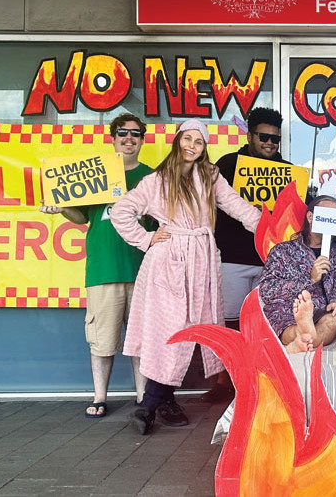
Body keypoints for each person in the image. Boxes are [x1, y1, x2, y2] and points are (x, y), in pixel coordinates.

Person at [111, 119, 261, 435]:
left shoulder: (210, 177)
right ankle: (151, 405)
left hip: (201, 262)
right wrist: (145, 238)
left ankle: (162, 401)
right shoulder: (156, 181)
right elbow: (120, 211)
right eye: (187, 139)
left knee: (193, 330)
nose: (191, 145)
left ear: (204, 148)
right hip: (167, 262)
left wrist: (268, 229)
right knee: (170, 329)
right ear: (178, 140)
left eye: (199, 141)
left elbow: (237, 207)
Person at [39, 113, 152, 419]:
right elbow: (82, 217)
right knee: (101, 340)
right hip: (103, 270)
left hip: (143, 271)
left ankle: (143, 396)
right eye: (123, 133)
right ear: (112, 138)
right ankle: (100, 397)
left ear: (143, 139)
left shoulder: (152, 177)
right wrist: (62, 208)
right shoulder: (96, 174)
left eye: (135, 133)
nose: (129, 138)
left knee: (141, 339)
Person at [210, 107, 291, 401]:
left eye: (275, 139)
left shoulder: (288, 170)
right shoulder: (228, 164)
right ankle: (225, 381)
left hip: (271, 260)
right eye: (264, 136)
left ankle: (261, 381)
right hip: (232, 255)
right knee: (230, 320)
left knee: (265, 322)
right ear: (250, 134)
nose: (270, 143)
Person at [258, 196, 336, 353]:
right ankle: (303, 332)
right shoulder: (283, 251)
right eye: (327, 214)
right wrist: (309, 279)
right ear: (311, 217)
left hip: (323, 312)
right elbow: (267, 289)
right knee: (285, 321)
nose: (331, 219)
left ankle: (302, 340)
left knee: (333, 320)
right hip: (288, 310)